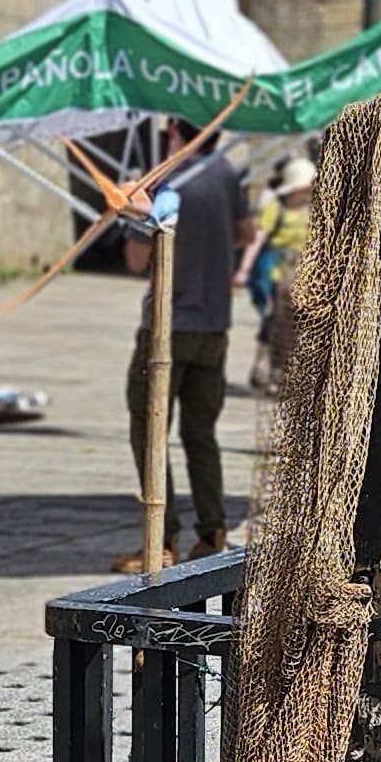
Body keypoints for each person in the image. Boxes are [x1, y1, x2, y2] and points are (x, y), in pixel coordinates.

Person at [121, 127, 249, 568]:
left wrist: (131, 216)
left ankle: (163, 537)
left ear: (175, 133)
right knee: (200, 433)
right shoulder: (227, 173)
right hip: (214, 325)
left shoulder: (159, 182)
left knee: (148, 428)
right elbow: (245, 233)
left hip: (167, 329)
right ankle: (212, 532)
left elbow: (137, 260)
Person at [245, 151, 315, 390]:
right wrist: (243, 270)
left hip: (301, 274)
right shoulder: (275, 207)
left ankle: (282, 371)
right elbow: (257, 239)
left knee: (294, 325)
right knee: (273, 321)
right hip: (275, 273)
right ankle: (263, 368)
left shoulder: (312, 209)